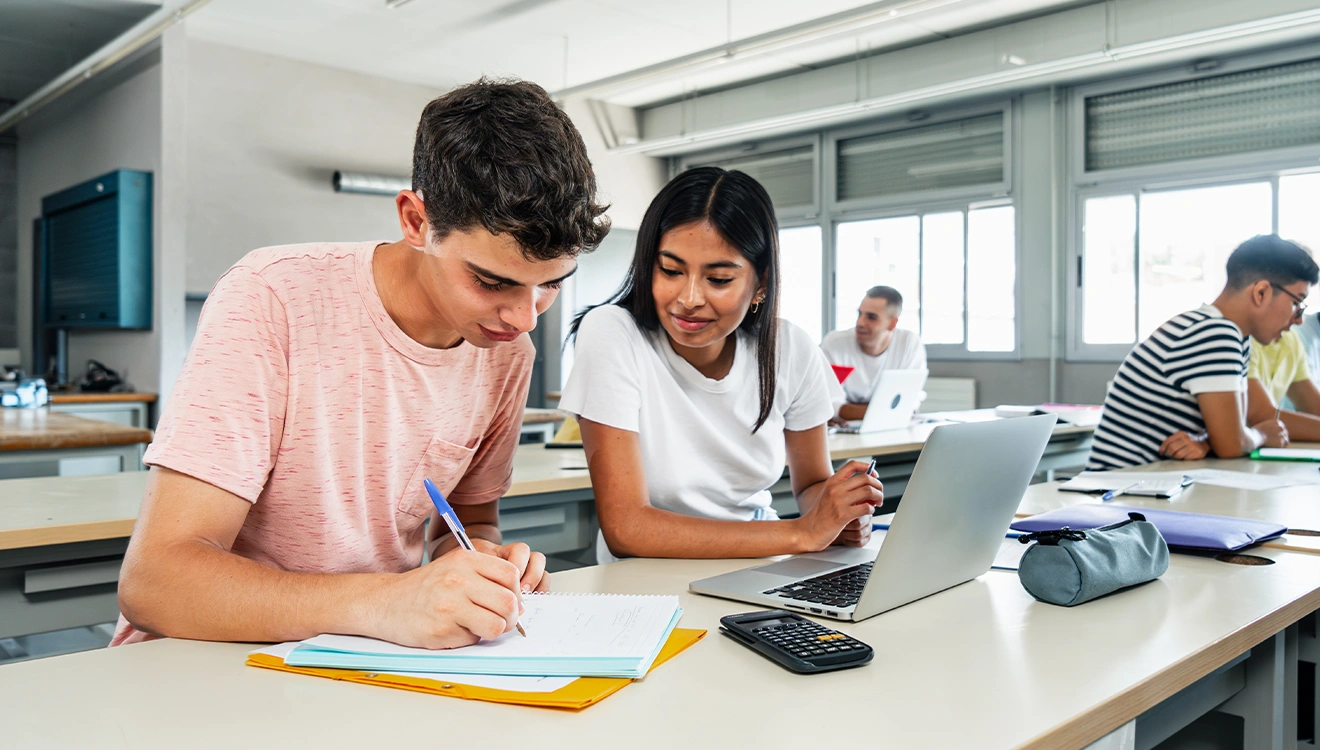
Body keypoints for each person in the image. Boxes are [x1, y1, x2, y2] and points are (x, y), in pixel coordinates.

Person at [114, 79, 609, 649]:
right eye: (491, 281)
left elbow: (468, 524)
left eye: (550, 284)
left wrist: (482, 567)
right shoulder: (271, 296)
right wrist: (390, 601)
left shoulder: (505, 352)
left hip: (373, 661)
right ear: (416, 221)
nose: (524, 317)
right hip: (207, 665)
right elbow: (156, 582)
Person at [559, 167, 882, 564]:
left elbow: (812, 483)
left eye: (719, 279)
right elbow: (628, 528)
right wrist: (802, 531)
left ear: (761, 284)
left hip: (765, 562)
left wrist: (837, 511)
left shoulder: (790, 348)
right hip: (646, 581)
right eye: (671, 271)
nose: (689, 298)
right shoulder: (612, 332)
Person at [1087, 235, 1317, 470]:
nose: (1298, 320)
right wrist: (1261, 435)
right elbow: (1232, 443)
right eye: (1296, 303)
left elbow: (1230, 433)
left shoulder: (1233, 336)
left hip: (1149, 482)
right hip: (1116, 488)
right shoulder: (1215, 333)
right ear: (1261, 292)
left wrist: (1211, 441)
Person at [820, 286, 927, 421]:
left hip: (890, 428)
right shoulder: (835, 343)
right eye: (860, 314)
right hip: (846, 429)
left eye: (871, 317)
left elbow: (910, 400)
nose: (860, 322)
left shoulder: (909, 343)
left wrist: (852, 410)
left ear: (892, 323)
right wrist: (889, 410)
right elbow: (830, 406)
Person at [1247, 325, 1320, 441]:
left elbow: (1314, 407)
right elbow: (1262, 416)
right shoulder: (1245, 339)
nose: (1300, 321)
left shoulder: (1290, 338)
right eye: (1295, 307)